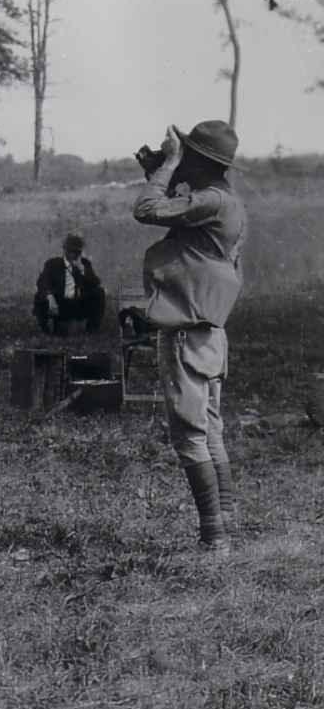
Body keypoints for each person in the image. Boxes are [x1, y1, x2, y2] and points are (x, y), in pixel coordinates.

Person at [134, 120, 246, 553]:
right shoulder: (224, 202)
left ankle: (213, 539)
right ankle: (225, 523)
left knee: (189, 437)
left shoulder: (210, 201)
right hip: (209, 333)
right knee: (210, 432)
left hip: (184, 333)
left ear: (196, 160)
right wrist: (163, 170)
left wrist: (169, 166)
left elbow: (146, 210)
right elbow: (178, 209)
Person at [34, 233, 107, 336]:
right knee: (39, 297)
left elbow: (95, 283)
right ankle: (44, 329)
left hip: (77, 305)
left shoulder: (84, 264)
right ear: (64, 250)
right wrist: (50, 298)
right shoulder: (53, 264)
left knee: (99, 292)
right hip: (59, 303)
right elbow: (42, 282)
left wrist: (82, 270)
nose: (73, 255)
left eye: (76, 252)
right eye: (70, 251)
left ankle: (92, 329)